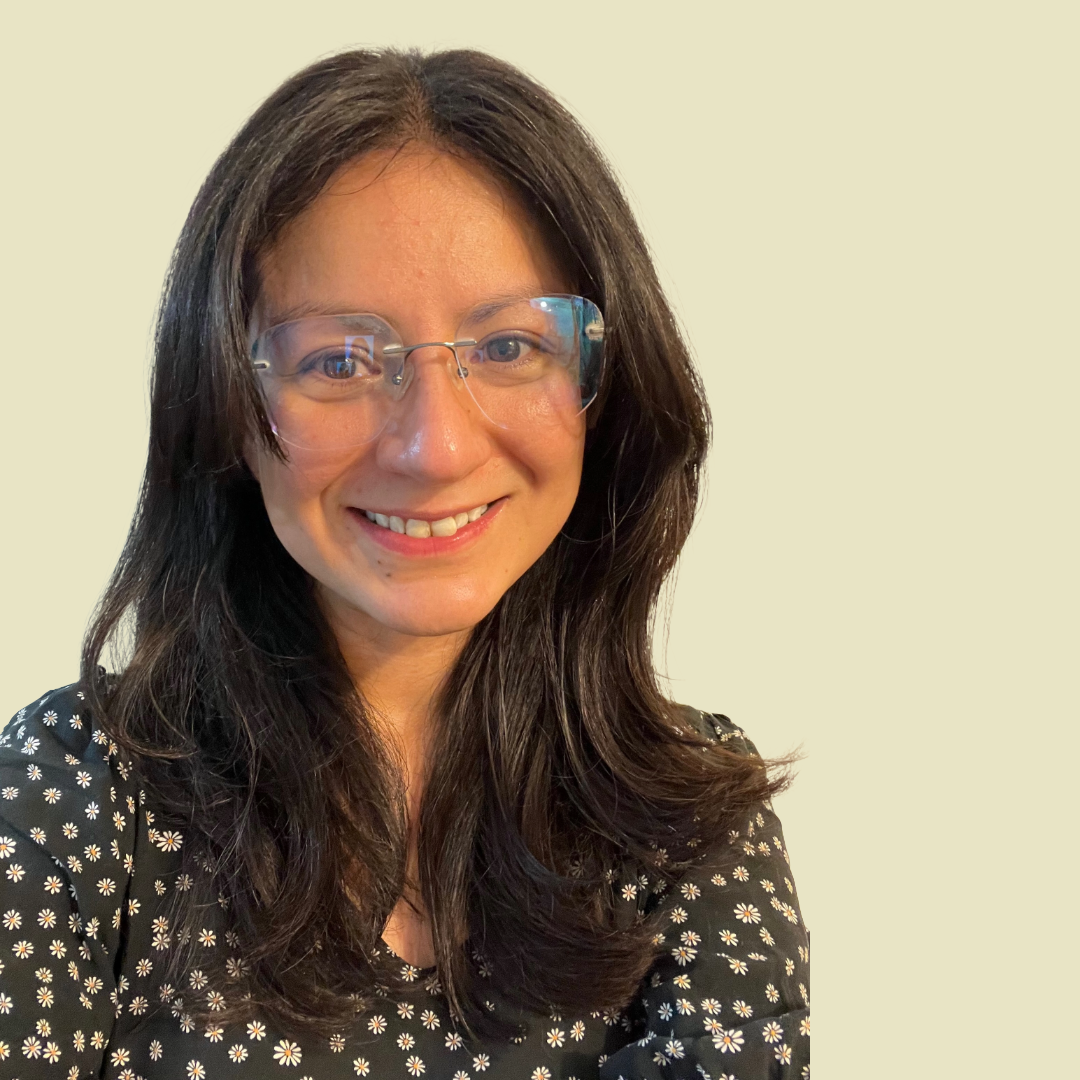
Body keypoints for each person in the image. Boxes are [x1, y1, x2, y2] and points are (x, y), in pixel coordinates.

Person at [0, 48, 809, 1078]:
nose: (436, 448)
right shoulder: (73, 797)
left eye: (510, 348)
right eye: (339, 361)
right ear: (228, 410)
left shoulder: (688, 825)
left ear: (608, 388)